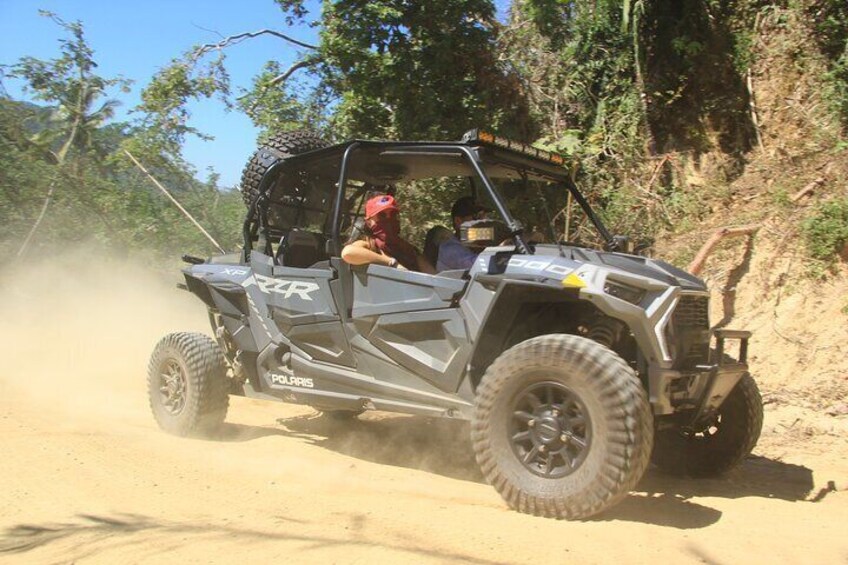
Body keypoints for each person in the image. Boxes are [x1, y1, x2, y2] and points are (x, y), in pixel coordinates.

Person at [341, 194, 435, 273]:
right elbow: (347, 253)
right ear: (369, 222)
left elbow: (434, 276)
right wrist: (392, 263)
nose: (389, 220)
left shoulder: (409, 249)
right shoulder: (369, 245)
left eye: (393, 215)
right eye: (382, 215)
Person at [424, 196, 485, 272]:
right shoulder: (450, 249)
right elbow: (482, 266)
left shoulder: (474, 246)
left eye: (485, 217)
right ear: (458, 221)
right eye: (477, 217)